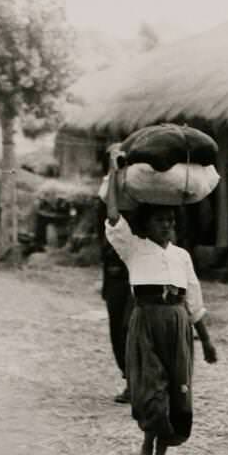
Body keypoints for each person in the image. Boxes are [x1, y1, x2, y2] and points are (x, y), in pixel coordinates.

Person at [103, 151, 218, 455]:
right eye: (159, 220)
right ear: (146, 224)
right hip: (146, 324)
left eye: (171, 221)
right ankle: (147, 442)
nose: (166, 225)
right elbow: (113, 216)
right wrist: (114, 173)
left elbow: (193, 298)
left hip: (178, 325)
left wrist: (207, 340)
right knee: (151, 390)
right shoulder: (134, 248)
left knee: (177, 393)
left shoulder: (181, 256)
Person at [97, 172, 133, 404]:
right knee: (117, 330)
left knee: (130, 329)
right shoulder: (108, 188)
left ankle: (136, 381)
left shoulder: (142, 196)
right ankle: (130, 379)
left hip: (135, 275)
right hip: (115, 277)